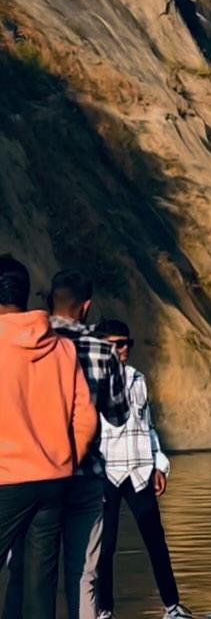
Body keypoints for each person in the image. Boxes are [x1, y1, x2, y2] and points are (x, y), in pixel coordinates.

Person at [6, 271, 130, 619]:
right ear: (86, 307)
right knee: (82, 576)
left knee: (26, 575)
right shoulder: (102, 352)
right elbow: (117, 415)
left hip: (29, 474)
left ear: (48, 300)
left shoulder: (26, 345)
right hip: (83, 474)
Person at [0, 255, 97, 619]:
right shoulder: (62, 347)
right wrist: (65, 458)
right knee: (39, 586)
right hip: (53, 480)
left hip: (6, 480)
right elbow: (85, 417)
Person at [95, 320, 192, 619]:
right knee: (105, 546)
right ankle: (104, 611)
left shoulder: (138, 379)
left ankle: (172, 607)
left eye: (125, 344)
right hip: (105, 474)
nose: (121, 350)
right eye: (114, 343)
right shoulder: (88, 382)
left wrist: (159, 465)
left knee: (156, 542)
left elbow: (148, 427)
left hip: (139, 472)